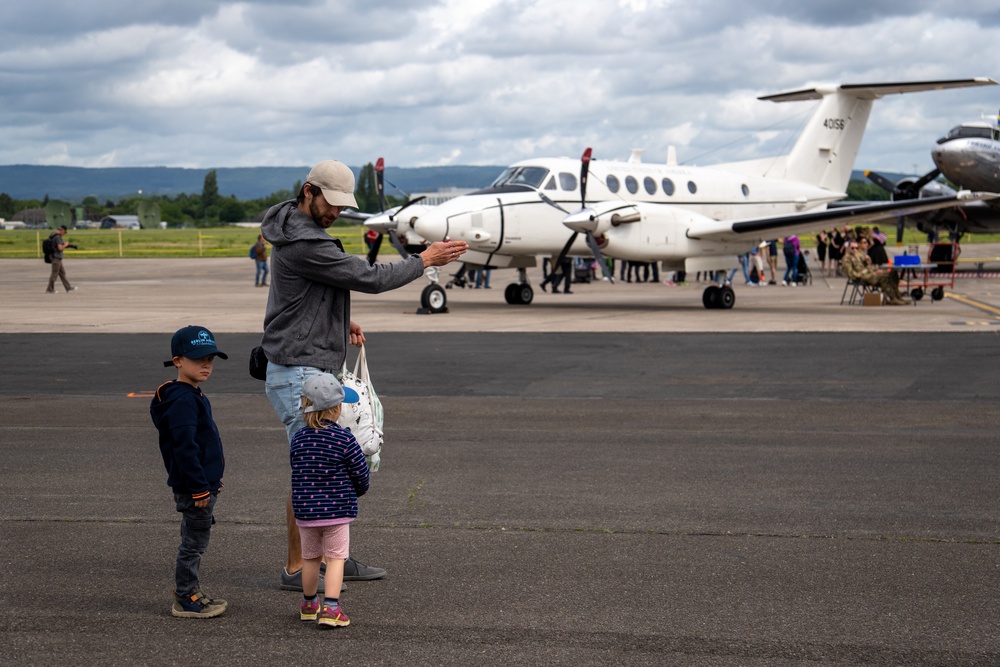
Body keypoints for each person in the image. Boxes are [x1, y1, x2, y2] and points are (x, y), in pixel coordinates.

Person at [259, 159, 468, 593]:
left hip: (300, 363)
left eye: (341, 205)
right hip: (301, 371)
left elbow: (311, 292)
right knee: (315, 471)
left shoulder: (293, 227)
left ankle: (322, 558)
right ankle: (303, 566)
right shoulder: (304, 241)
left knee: (315, 469)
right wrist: (423, 259)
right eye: (330, 202)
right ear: (308, 191)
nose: (336, 212)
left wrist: (337, 323)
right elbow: (366, 277)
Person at [150, 325, 229, 618]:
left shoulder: (188, 393)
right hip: (195, 487)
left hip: (202, 483)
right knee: (193, 544)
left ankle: (190, 591)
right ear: (178, 360)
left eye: (210, 359)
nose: (206, 365)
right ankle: (186, 597)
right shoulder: (182, 400)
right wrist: (199, 488)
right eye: (198, 360)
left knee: (194, 538)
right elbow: (186, 449)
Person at [292, 373, 369, 628]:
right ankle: (332, 608)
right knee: (336, 559)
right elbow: (360, 473)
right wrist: (357, 491)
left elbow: (297, 469)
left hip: (305, 513)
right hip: (336, 511)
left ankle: (309, 603)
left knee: (311, 558)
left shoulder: (298, 440)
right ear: (337, 409)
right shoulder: (345, 439)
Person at [841, 240, 908, 305]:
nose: (855, 249)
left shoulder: (859, 255)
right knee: (884, 277)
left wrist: (869, 262)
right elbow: (851, 273)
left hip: (869, 274)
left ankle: (897, 296)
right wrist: (863, 273)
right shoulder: (846, 259)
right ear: (848, 248)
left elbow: (868, 266)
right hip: (861, 277)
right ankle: (892, 298)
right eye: (852, 248)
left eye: (856, 248)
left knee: (892, 273)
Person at [46, 225, 77, 294]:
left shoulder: (53, 235)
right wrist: (65, 245)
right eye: (65, 232)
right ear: (62, 230)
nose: (64, 234)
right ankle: (50, 289)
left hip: (55, 257)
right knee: (54, 274)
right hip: (56, 258)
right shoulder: (57, 237)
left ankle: (68, 288)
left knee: (62, 273)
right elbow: (60, 248)